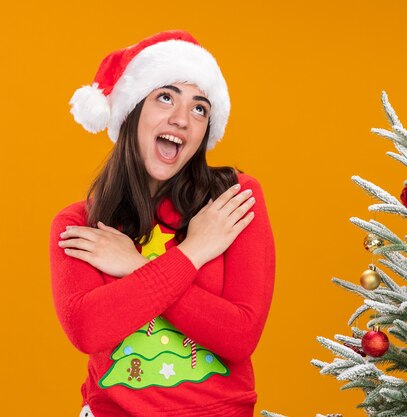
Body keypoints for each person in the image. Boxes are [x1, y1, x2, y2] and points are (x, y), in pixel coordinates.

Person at [49, 30, 275, 417]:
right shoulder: (81, 225)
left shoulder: (231, 200)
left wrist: (135, 266)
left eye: (200, 108)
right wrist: (194, 252)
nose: (182, 119)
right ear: (132, 111)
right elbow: (88, 330)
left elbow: (239, 337)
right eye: (165, 97)